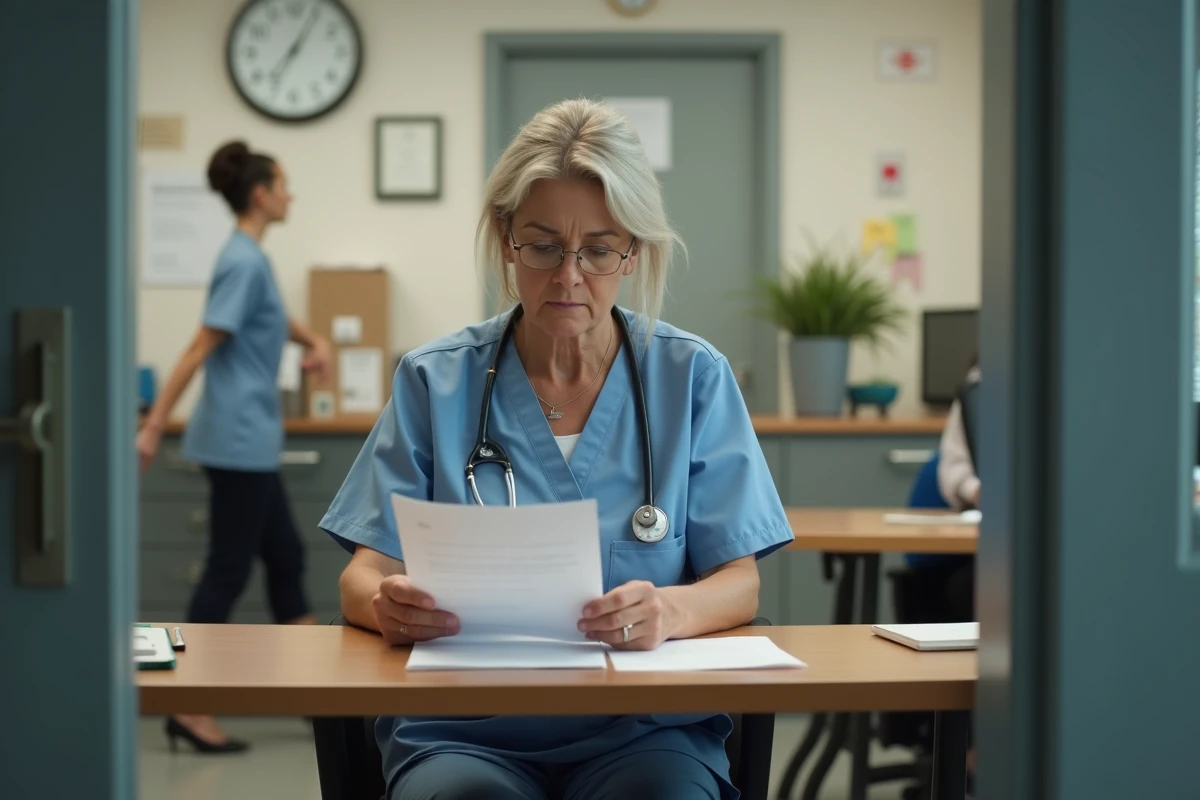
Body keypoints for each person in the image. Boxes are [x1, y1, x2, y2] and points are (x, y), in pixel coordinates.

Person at [319, 99, 794, 800]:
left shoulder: (690, 377)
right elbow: (363, 574)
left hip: (645, 729)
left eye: (599, 250)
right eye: (543, 246)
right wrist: (387, 605)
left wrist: (671, 611)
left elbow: (739, 582)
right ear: (507, 239)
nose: (569, 276)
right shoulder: (436, 380)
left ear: (633, 251)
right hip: (464, 725)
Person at [136, 140, 333, 754]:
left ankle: (316, 700)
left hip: (251, 440)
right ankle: (189, 706)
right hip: (237, 441)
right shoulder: (243, 262)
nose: (290, 193)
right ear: (260, 194)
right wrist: (153, 423)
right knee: (228, 570)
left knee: (286, 561)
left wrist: (313, 339)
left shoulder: (251, 259)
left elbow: (271, 319)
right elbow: (200, 346)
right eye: (283, 183)